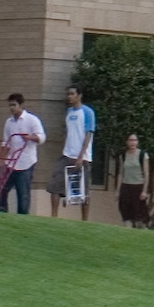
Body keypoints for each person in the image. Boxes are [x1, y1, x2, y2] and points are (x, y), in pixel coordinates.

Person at [0, 94, 46, 215]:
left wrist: (30, 137)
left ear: (21, 105)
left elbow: (42, 138)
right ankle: (0, 210)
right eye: (10, 105)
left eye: (14, 105)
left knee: (23, 192)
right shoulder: (9, 122)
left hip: (26, 162)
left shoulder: (32, 120)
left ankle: (22, 216)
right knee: (2, 187)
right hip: (10, 162)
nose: (12, 108)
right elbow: (6, 142)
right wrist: (1, 159)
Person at [49, 84, 96, 219]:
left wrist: (81, 156)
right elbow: (67, 133)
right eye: (68, 94)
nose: (69, 96)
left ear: (79, 95)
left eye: (72, 94)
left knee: (84, 190)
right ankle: (54, 216)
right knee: (55, 185)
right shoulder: (69, 112)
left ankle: (84, 220)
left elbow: (88, 135)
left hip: (82, 157)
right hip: (67, 154)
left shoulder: (87, 112)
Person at [117, 134, 150, 228]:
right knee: (126, 213)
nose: (132, 142)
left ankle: (143, 231)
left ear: (138, 142)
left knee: (140, 215)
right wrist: (118, 190)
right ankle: (128, 231)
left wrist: (144, 191)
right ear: (127, 142)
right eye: (130, 140)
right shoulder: (123, 156)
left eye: (135, 140)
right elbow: (121, 173)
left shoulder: (143, 155)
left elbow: (146, 173)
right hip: (126, 186)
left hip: (138, 187)